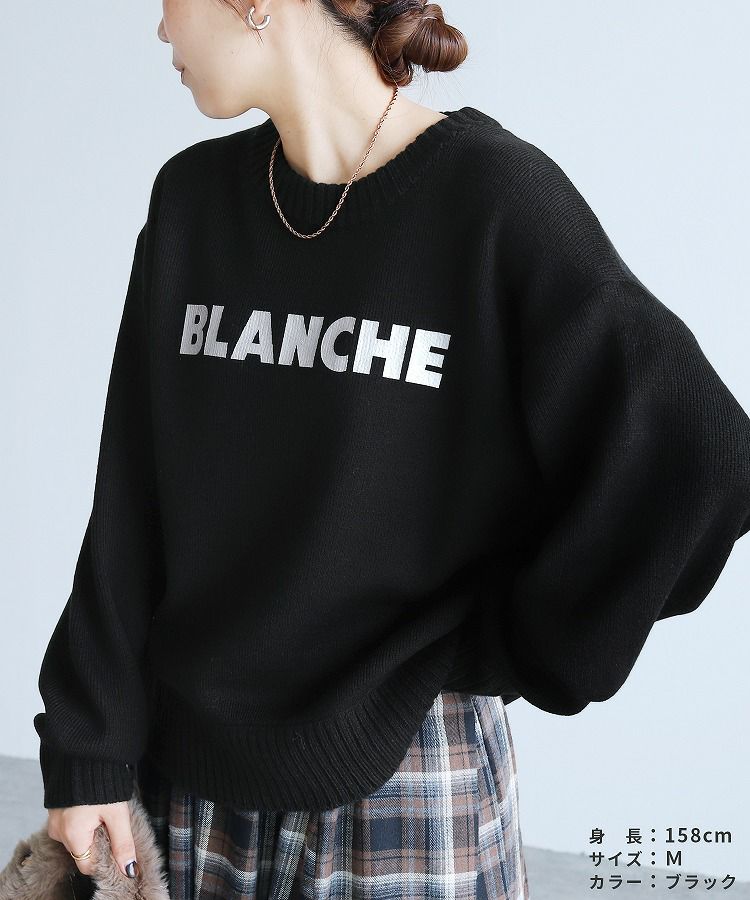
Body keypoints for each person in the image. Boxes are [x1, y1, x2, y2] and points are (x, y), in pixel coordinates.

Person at [32, 1, 750, 899]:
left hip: (402, 785)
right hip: (186, 782)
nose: (161, 28)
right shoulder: (192, 202)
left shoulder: (494, 200)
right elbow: (129, 502)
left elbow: (700, 456)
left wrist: (520, 645)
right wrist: (88, 748)